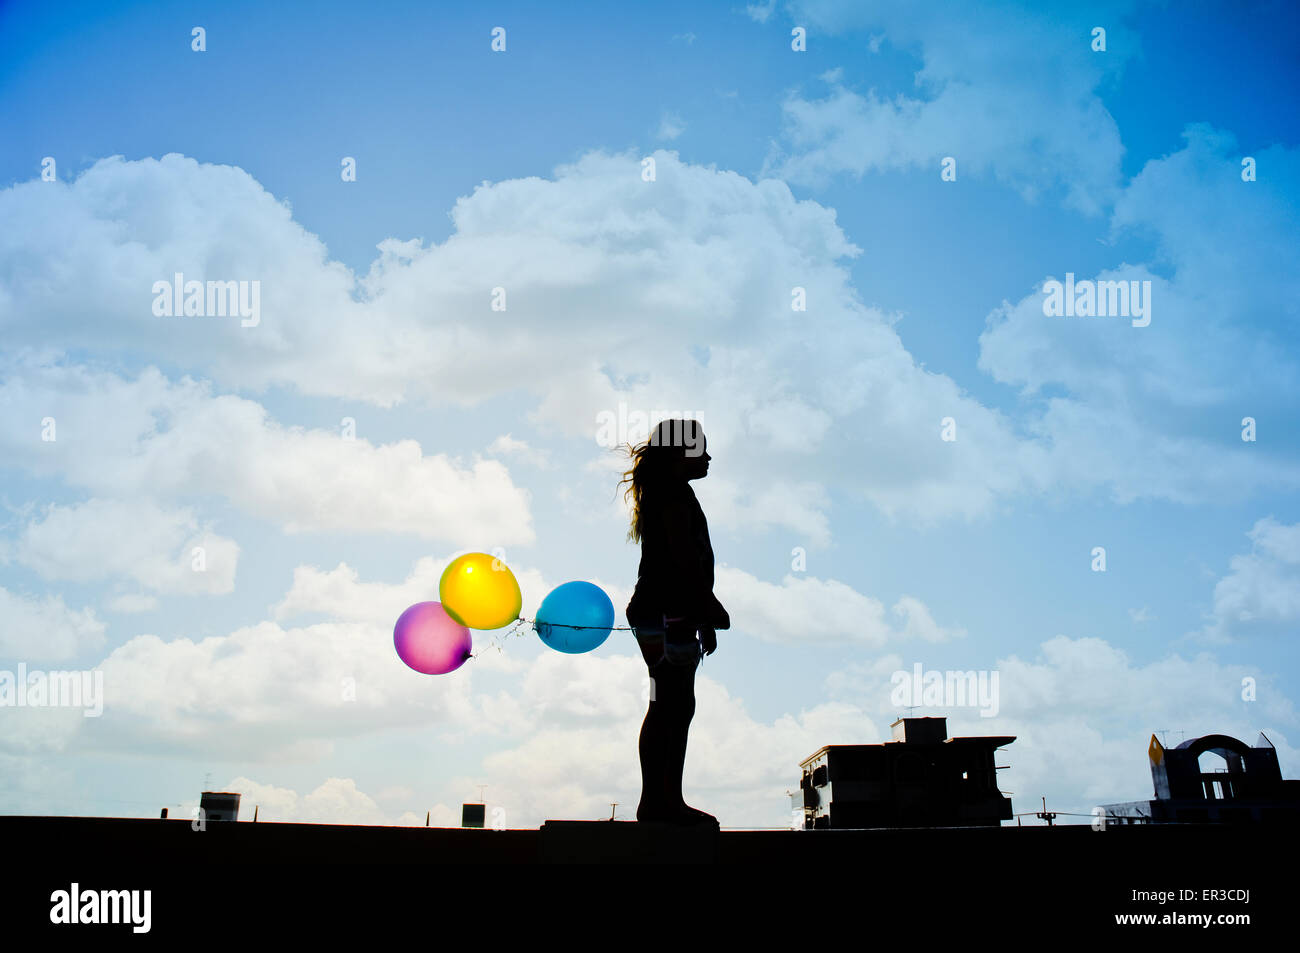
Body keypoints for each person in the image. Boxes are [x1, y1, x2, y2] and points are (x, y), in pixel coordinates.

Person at [618, 419, 730, 826]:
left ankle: (662, 800)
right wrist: (709, 607)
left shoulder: (672, 494)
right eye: (701, 450)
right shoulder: (673, 497)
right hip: (666, 611)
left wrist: (703, 618)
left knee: (671, 704)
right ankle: (662, 803)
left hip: (665, 610)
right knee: (672, 704)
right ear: (679, 454)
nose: (708, 458)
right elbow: (683, 558)